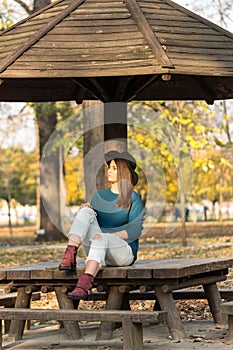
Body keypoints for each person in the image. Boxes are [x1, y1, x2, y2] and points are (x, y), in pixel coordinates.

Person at [59, 150, 145, 300]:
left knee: (101, 238)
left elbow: (135, 231)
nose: (109, 171)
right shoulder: (99, 196)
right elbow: (92, 224)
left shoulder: (134, 197)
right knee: (86, 211)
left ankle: (84, 285)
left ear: (123, 171)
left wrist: (107, 236)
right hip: (98, 251)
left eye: (114, 168)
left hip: (123, 253)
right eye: (108, 167)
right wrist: (86, 211)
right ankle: (69, 255)